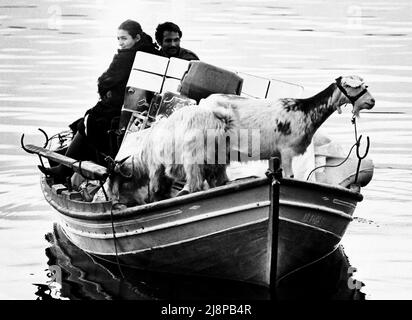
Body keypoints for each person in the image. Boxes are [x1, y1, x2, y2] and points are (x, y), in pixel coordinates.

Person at [39, 19, 158, 182]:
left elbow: (105, 81)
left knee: (90, 120)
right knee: (87, 121)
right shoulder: (150, 52)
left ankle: (64, 169)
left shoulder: (127, 57)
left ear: (136, 38)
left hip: (122, 104)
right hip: (136, 102)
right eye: (118, 39)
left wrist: (106, 90)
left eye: (124, 39)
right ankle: (65, 162)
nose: (121, 43)